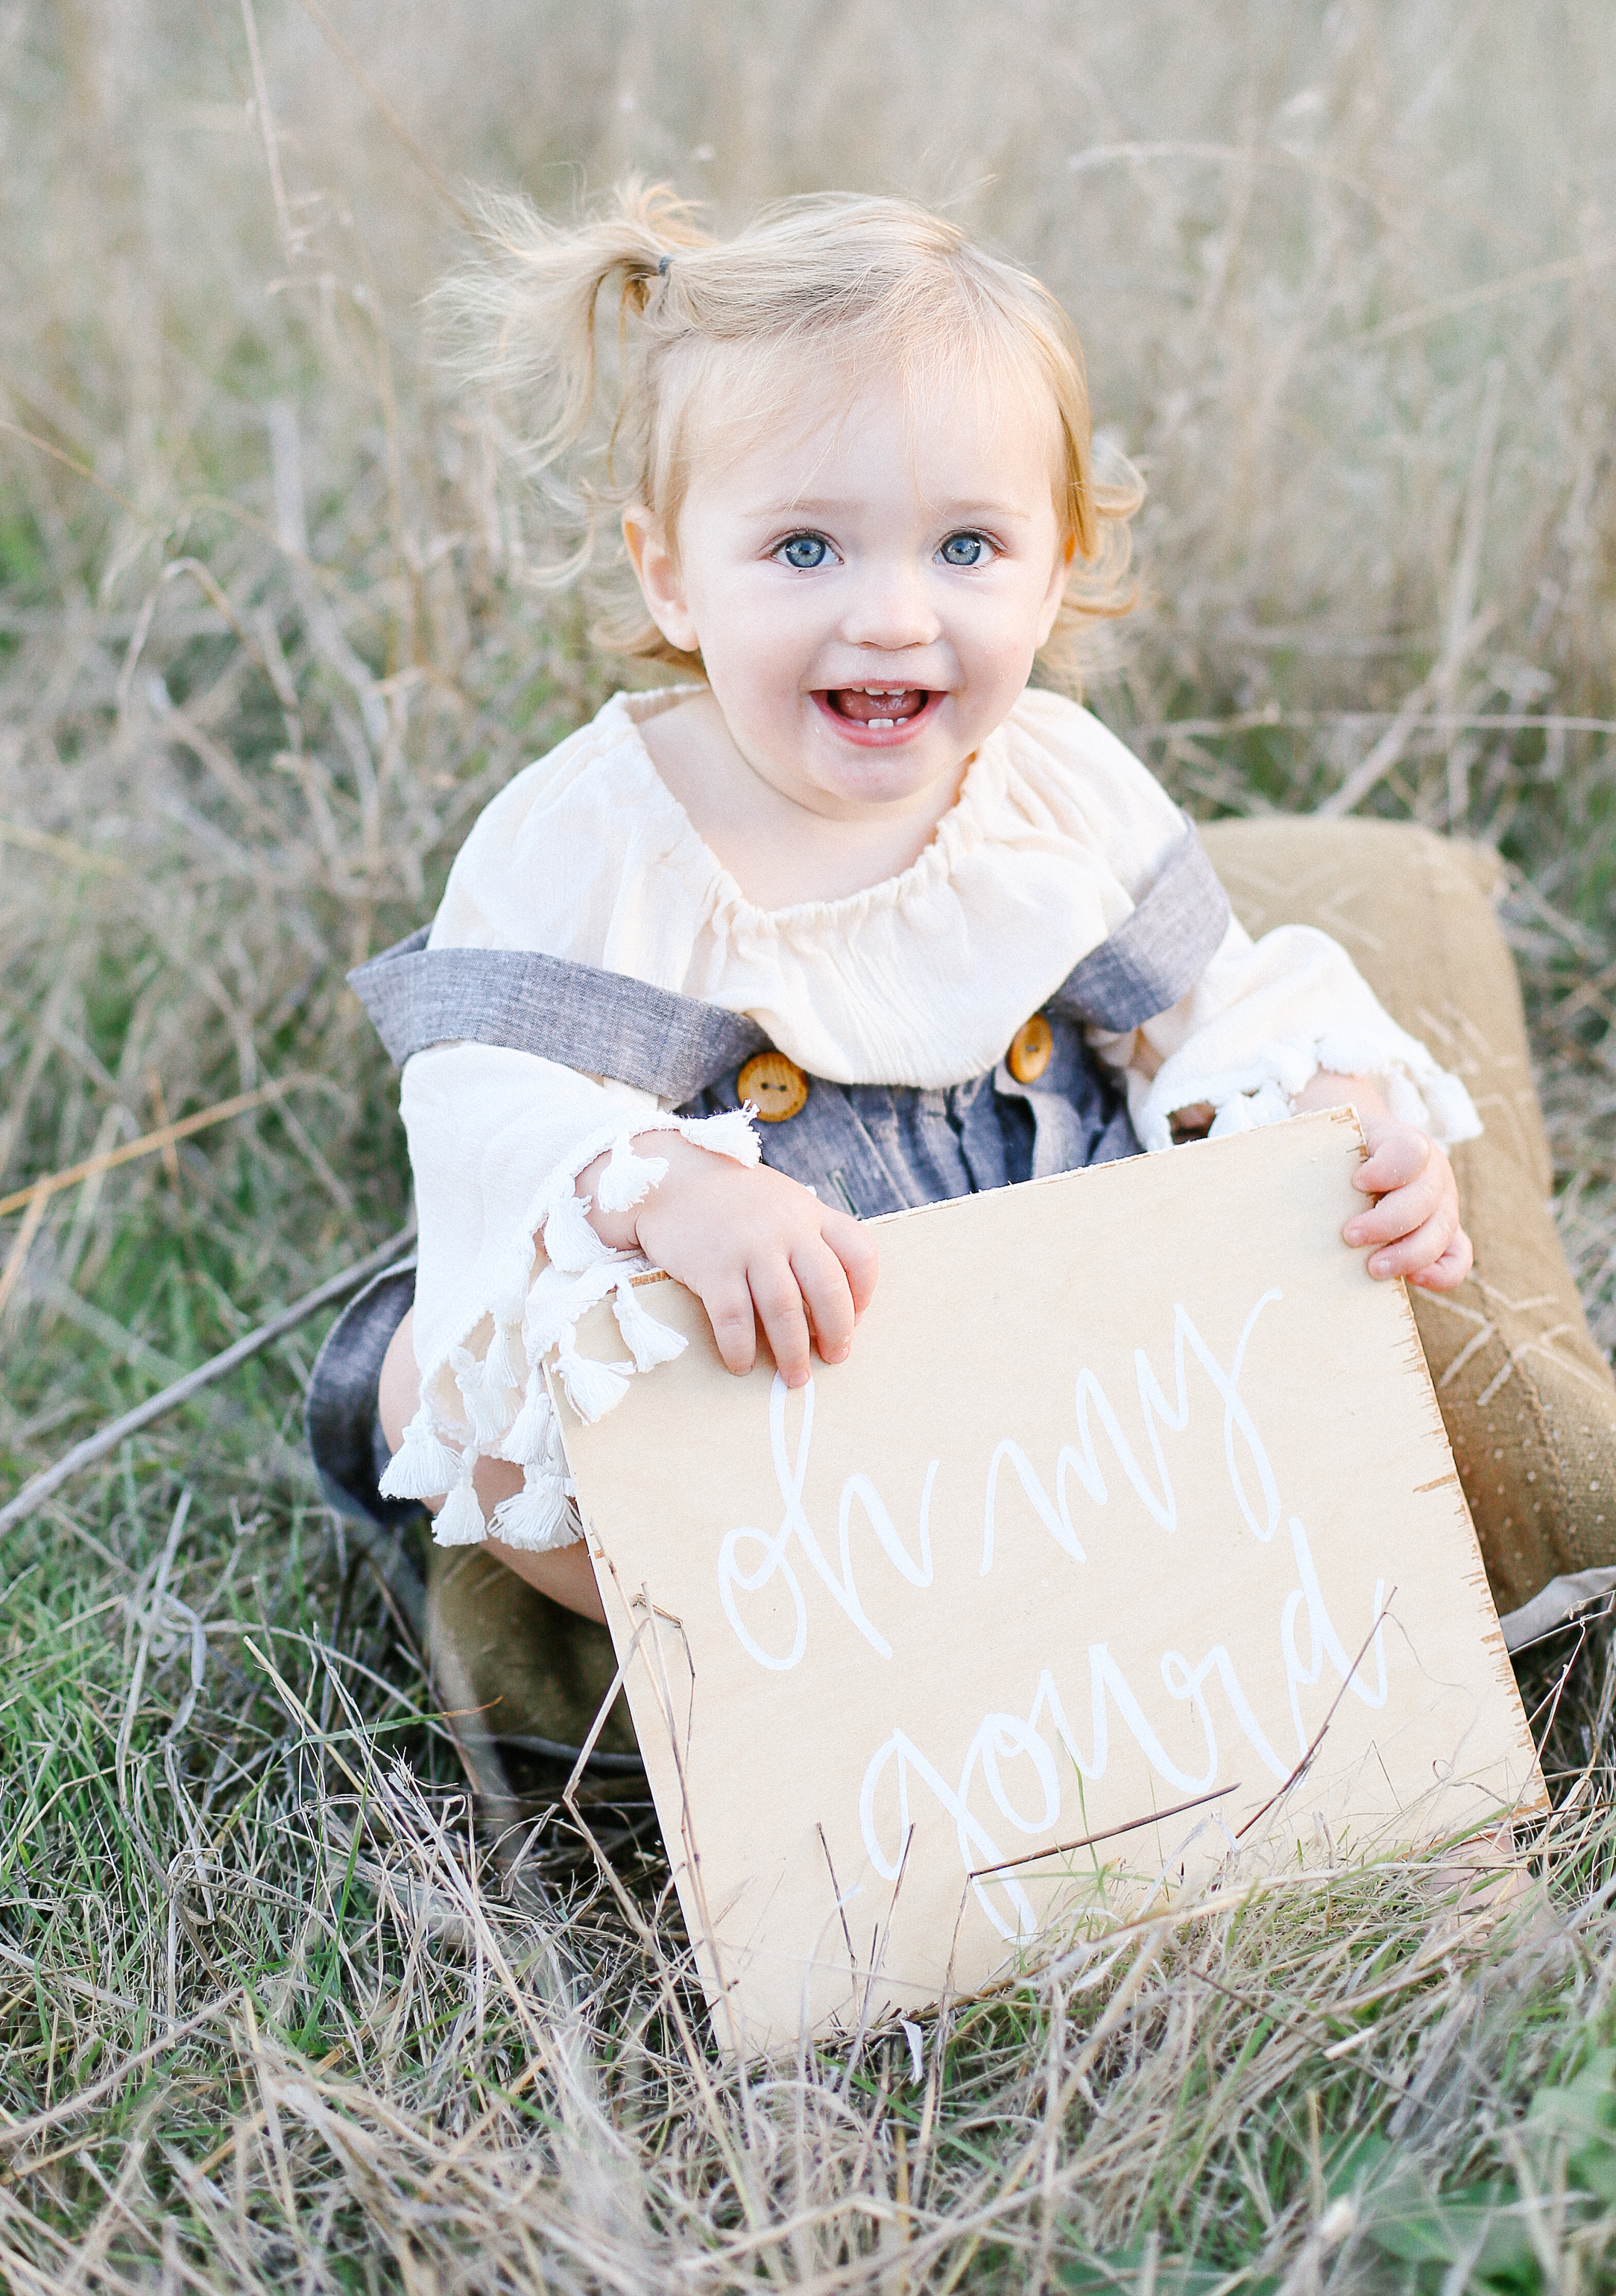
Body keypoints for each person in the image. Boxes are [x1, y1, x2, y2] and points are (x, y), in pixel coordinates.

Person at [334, 184, 1481, 1633]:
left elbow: (1219, 1014)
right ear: (670, 576)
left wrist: (1330, 1112)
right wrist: (669, 1189)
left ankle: (1089, 1606)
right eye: (807, 549)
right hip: (764, 1388)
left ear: (1055, 572)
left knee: (1336, 1278)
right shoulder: (592, 840)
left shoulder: (1057, 790)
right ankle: (749, 1658)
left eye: (967, 548)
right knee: (433, 1386)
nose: (892, 616)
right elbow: (485, 1104)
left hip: (1066, 1363)